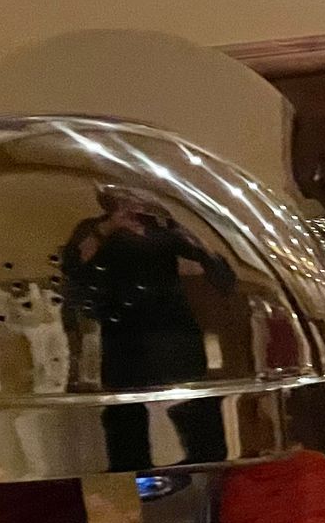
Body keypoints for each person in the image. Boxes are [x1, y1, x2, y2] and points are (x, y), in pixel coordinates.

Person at [59, 186, 236, 471]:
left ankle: (203, 476)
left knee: (199, 425)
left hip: (175, 335)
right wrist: (110, 228)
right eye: (124, 199)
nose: (133, 206)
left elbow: (216, 269)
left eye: (138, 198)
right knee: (126, 426)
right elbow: (73, 267)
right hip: (123, 338)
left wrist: (181, 228)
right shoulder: (95, 230)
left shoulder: (165, 230)